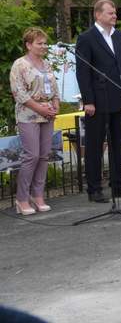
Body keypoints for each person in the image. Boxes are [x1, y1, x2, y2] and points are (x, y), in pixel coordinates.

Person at [75, 0, 121, 203]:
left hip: (118, 97)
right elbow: (82, 72)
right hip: (98, 100)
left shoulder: (119, 36)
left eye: (115, 13)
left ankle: (118, 184)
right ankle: (94, 188)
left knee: (117, 143)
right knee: (94, 146)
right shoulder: (86, 38)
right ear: (98, 15)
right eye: (110, 13)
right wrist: (88, 100)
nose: (114, 16)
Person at [9, 27, 60, 215]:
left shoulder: (46, 64)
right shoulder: (19, 65)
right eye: (40, 43)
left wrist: (55, 105)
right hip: (28, 114)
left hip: (48, 114)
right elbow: (19, 93)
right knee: (32, 155)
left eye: (45, 43)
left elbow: (54, 88)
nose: (44, 46)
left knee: (45, 155)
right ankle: (21, 198)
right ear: (29, 45)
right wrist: (39, 108)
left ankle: (37, 195)